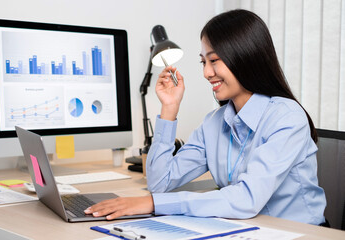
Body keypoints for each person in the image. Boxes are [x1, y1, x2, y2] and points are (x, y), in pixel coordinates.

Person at [85, 9, 327, 225]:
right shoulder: (214, 122)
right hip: (245, 229)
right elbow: (160, 183)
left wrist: (152, 204)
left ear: (245, 56)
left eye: (214, 61)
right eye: (203, 62)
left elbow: (247, 198)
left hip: (301, 233)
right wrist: (169, 109)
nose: (206, 73)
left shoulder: (286, 117)